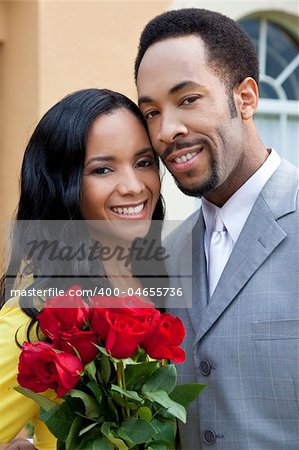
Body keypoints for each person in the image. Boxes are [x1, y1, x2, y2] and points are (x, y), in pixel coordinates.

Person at [134, 8, 299, 450]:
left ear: (245, 98)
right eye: (151, 112)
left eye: (188, 99)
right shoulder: (164, 257)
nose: (167, 131)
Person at [0, 88, 166, 449]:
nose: (135, 186)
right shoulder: (39, 314)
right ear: (63, 186)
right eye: (103, 169)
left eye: (144, 162)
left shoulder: (164, 279)